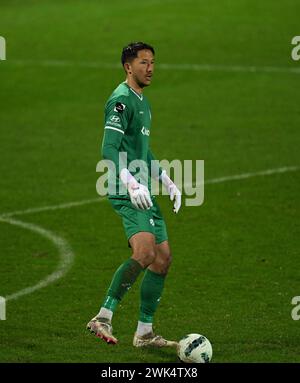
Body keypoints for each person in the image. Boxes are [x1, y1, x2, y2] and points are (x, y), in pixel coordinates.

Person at [87, 42, 181, 348]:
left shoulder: (143, 101)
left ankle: (144, 333)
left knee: (162, 258)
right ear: (129, 67)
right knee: (144, 252)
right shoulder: (121, 100)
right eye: (144, 63)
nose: (150, 68)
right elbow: (108, 149)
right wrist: (130, 183)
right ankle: (102, 316)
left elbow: (143, 150)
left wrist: (165, 179)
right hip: (125, 187)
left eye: (153, 62)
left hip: (144, 187)